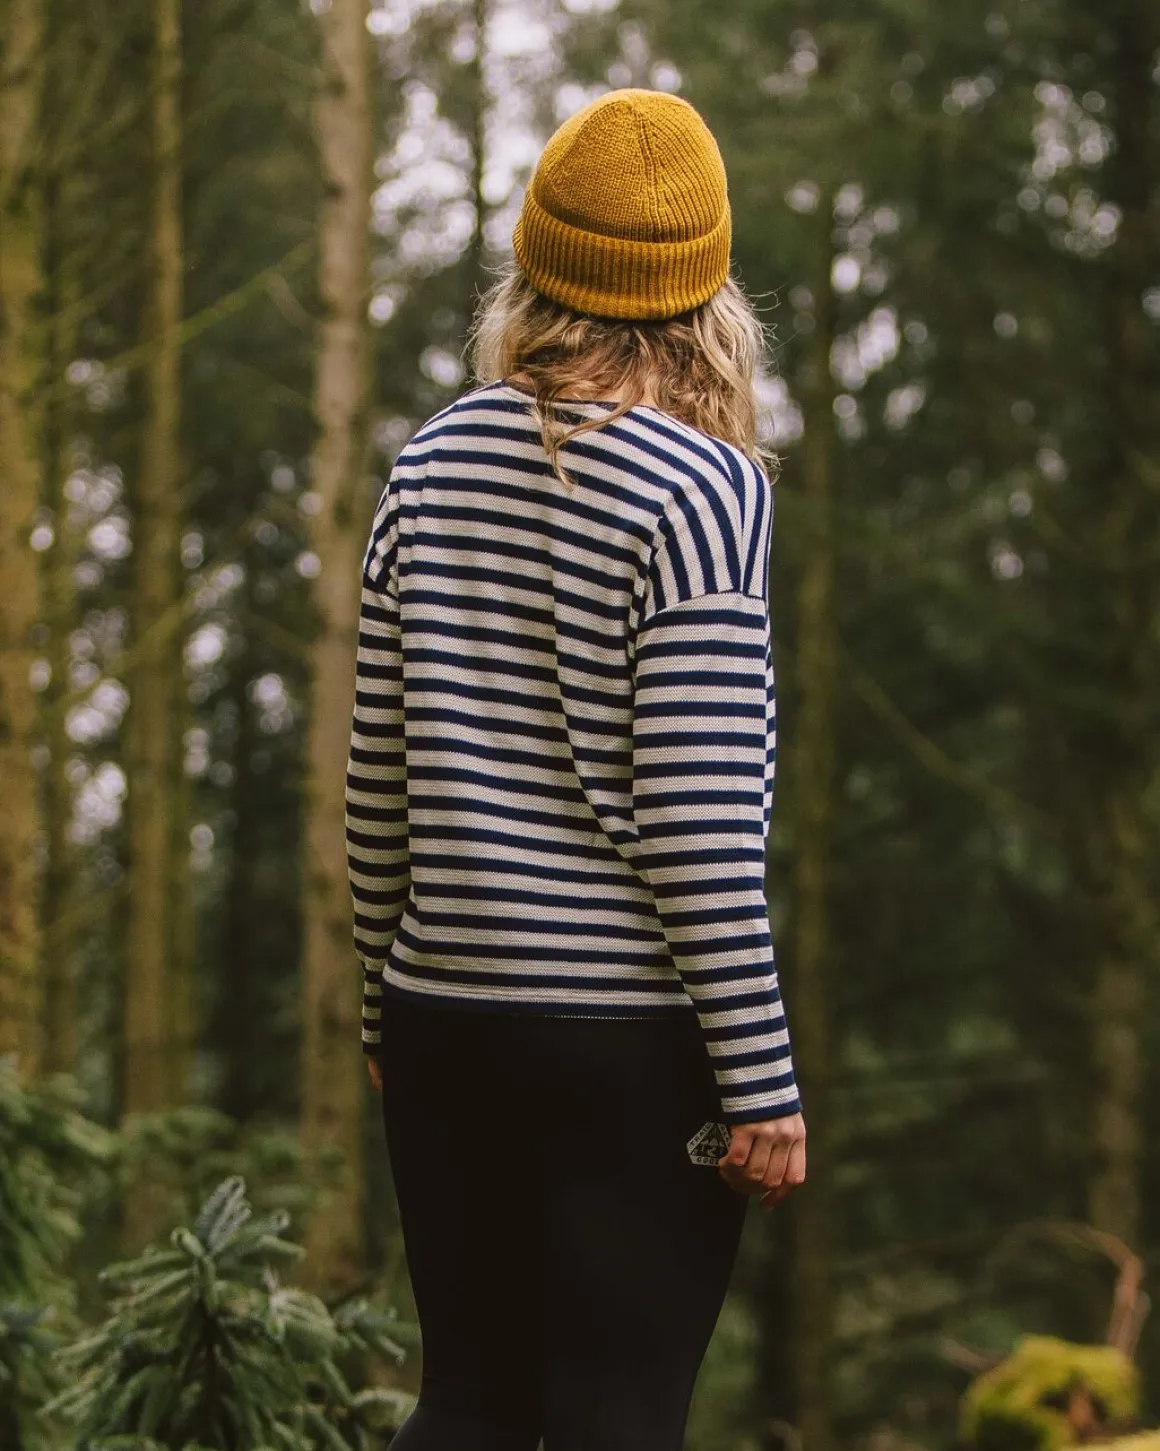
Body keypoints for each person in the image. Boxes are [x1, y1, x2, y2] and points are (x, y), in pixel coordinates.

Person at [345, 87, 806, 1451]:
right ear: (705, 288)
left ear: (535, 264)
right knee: (618, 1414)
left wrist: (385, 1005)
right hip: (629, 1048)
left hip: (445, 1019)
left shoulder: (427, 466)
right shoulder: (702, 493)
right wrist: (762, 1080)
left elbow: (378, 783)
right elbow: (696, 823)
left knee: (468, 1404)